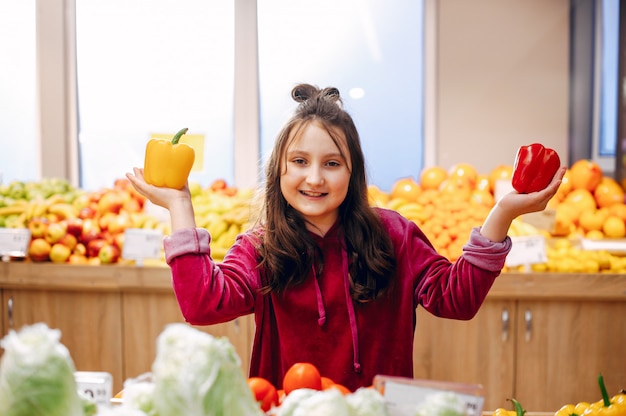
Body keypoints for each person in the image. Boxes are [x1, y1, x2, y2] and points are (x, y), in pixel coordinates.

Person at [126, 83, 565, 392]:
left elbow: (457, 300)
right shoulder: (261, 247)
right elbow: (203, 305)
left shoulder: (394, 234)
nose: (314, 178)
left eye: (332, 163)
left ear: (351, 171)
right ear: (279, 168)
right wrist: (179, 206)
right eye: (299, 161)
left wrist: (503, 211)